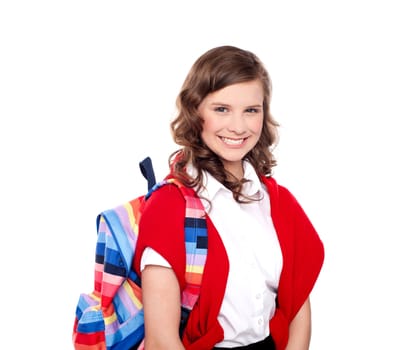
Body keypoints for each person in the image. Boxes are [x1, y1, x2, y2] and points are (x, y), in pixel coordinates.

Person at [133, 45, 324, 350]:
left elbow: (297, 300)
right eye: (221, 109)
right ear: (196, 111)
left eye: (251, 110)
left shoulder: (277, 202)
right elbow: (161, 341)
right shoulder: (170, 206)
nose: (238, 126)